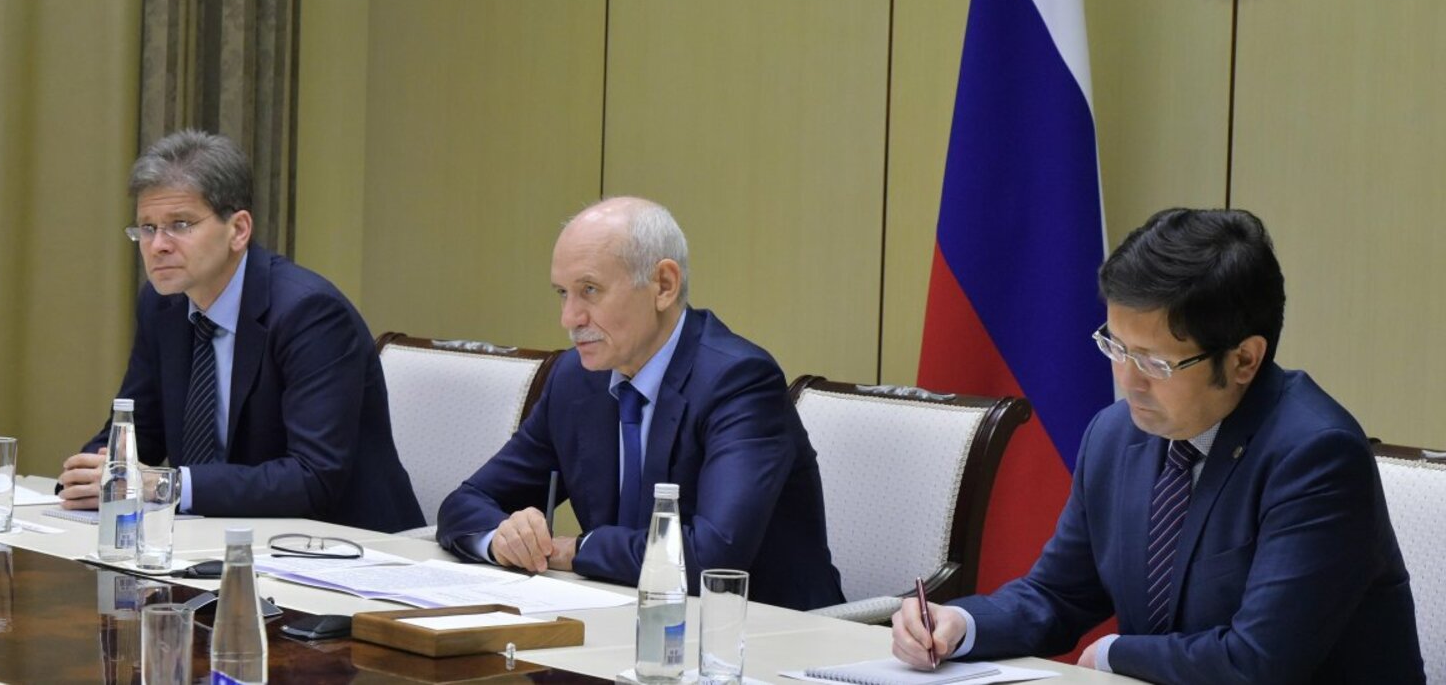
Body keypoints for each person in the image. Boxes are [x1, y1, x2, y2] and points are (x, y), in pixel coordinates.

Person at [891, 208, 1423, 684]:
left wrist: (1114, 654)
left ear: (1244, 360)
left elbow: (1258, 662)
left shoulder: (1316, 457)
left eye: (1155, 362)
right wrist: (962, 623)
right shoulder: (1116, 435)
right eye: (1116, 347)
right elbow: (1060, 594)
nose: (1129, 382)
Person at [435, 197, 844, 611]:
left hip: (760, 632)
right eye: (562, 293)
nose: (569, 318)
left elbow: (710, 558)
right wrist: (505, 538)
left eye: (589, 290)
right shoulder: (575, 379)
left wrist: (576, 549)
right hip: (622, 620)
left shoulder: (739, 381)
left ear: (663, 286)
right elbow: (466, 503)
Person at [57, 130, 424, 532]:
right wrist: (92, 474)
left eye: (180, 224)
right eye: (146, 227)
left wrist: (165, 485)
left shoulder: (310, 314)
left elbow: (313, 478)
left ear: (238, 230)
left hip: (343, 546)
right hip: (214, 538)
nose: (158, 245)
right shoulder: (163, 305)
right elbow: (139, 429)